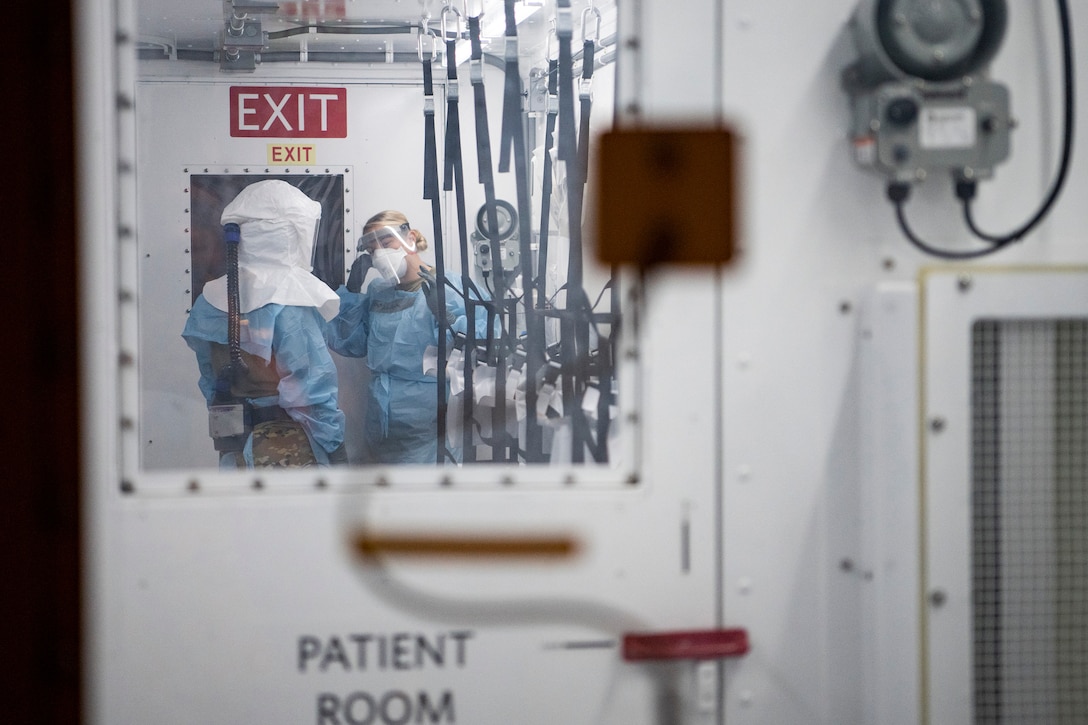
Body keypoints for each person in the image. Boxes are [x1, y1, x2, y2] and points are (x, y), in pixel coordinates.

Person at [183, 179, 347, 468]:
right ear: (295, 231)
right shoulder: (291, 300)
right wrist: (335, 448)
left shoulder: (210, 299)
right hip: (288, 447)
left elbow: (210, 379)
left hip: (236, 444)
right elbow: (312, 388)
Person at [326, 210, 487, 464]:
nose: (378, 254)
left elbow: (482, 345)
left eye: (385, 243)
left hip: (430, 417)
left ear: (410, 239)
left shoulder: (451, 287)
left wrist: (448, 317)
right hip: (381, 417)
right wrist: (352, 292)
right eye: (370, 250)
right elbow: (351, 343)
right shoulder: (378, 291)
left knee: (423, 495)